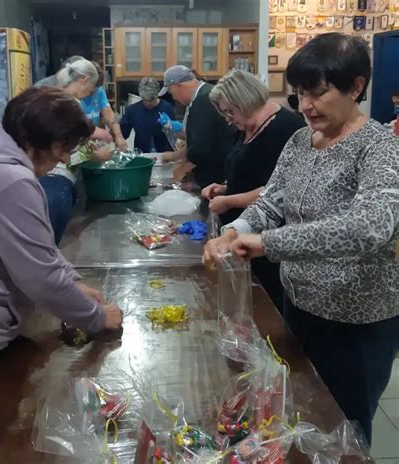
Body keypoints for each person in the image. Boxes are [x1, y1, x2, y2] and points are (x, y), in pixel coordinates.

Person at [203, 33, 398, 445]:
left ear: (356, 87)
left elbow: (369, 227)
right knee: (299, 413)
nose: (306, 106)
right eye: (299, 95)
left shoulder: (379, 147)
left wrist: (268, 243)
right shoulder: (299, 141)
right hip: (299, 307)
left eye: (318, 93)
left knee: (345, 428)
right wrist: (234, 230)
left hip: (355, 321)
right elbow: (271, 202)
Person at [0, 87, 123, 464]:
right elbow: (41, 278)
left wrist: (74, 283)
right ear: (36, 140)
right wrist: (98, 318)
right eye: (62, 148)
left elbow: (36, 249)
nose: (63, 158)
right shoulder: (9, 179)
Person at [203, 70, 305, 312]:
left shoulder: (287, 129)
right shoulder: (245, 126)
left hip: (269, 242)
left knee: (267, 307)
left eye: (230, 111)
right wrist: (225, 188)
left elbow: (276, 191)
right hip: (245, 230)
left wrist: (229, 201)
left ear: (245, 100)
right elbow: (250, 174)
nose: (227, 118)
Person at [36, 58, 110, 244]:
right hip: (55, 181)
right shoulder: (67, 105)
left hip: (42, 177)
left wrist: (86, 144)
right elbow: (62, 153)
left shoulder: (46, 94)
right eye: (91, 87)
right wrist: (95, 155)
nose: (89, 94)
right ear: (84, 80)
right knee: (50, 243)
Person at [159, 65, 237, 188]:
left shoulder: (203, 101)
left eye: (171, 92)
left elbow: (200, 148)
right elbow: (197, 141)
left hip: (217, 175)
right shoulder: (205, 93)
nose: (173, 97)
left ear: (178, 85)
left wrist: (181, 171)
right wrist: (174, 156)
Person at [120, 77, 176, 153]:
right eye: (145, 100)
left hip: (165, 155)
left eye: (151, 100)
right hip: (142, 156)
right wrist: (117, 135)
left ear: (157, 94)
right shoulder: (132, 110)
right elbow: (123, 134)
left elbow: (175, 134)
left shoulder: (168, 109)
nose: (148, 103)